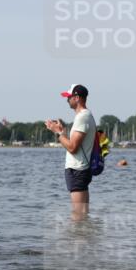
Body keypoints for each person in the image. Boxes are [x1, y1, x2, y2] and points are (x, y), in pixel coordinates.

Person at [45, 84, 96, 216]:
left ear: (77, 98)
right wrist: (61, 132)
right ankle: (83, 237)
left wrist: (57, 133)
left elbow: (73, 148)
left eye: (69, 97)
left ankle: (77, 237)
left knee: (78, 216)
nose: (67, 100)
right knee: (83, 216)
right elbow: (75, 144)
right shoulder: (84, 116)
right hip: (81, 170)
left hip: (77, 170)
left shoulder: (82, 117)